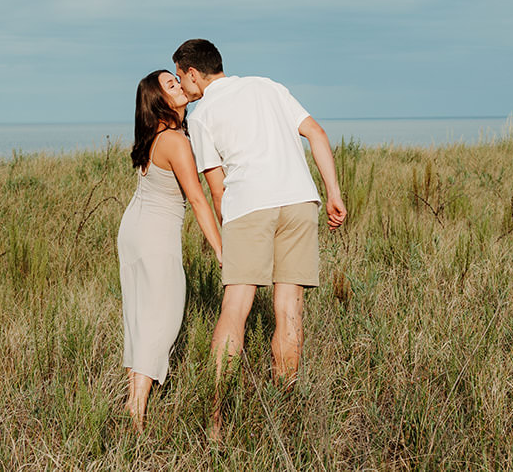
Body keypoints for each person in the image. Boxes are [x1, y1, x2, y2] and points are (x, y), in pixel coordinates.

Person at [171, 38, 346, 436]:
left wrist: (227, 230)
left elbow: (217, 189)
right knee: (289, 308)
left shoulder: (200, 117)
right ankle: (285, 415)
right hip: (301, 199)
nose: (183, 87)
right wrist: (333, 192)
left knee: (236, 307)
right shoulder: (269, 86)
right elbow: (316, 133)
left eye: (182, 78)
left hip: (249, 205)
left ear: (193, 73)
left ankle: (216, 420)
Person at [117, 69, 224, 430]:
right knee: (161, 319)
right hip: (153, 236)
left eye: (177, 80)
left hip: (135, 230)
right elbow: (197, 198)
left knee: (140, 320)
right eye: (171, 84)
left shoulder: (158, 137)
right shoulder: (175, 140)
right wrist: (222, 249)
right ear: (158, 100)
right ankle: (136, 409)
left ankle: (134, 404)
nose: (179, 85)